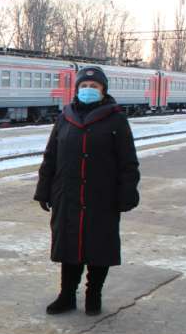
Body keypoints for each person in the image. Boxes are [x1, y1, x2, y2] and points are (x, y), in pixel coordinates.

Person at [35, 66, 140, 316]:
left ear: (103, 90)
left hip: (102, 196)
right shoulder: (65, 117)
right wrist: (44, 189)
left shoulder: (116, 119)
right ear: (76, 89)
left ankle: (94, 295)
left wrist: (128, 192)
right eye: (84, 86)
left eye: (94, 87)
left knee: (98, 247)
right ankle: (67, 295)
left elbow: (128, 161)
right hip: (67, 194)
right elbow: (50, 156)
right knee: (68, 246)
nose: (88, 90)